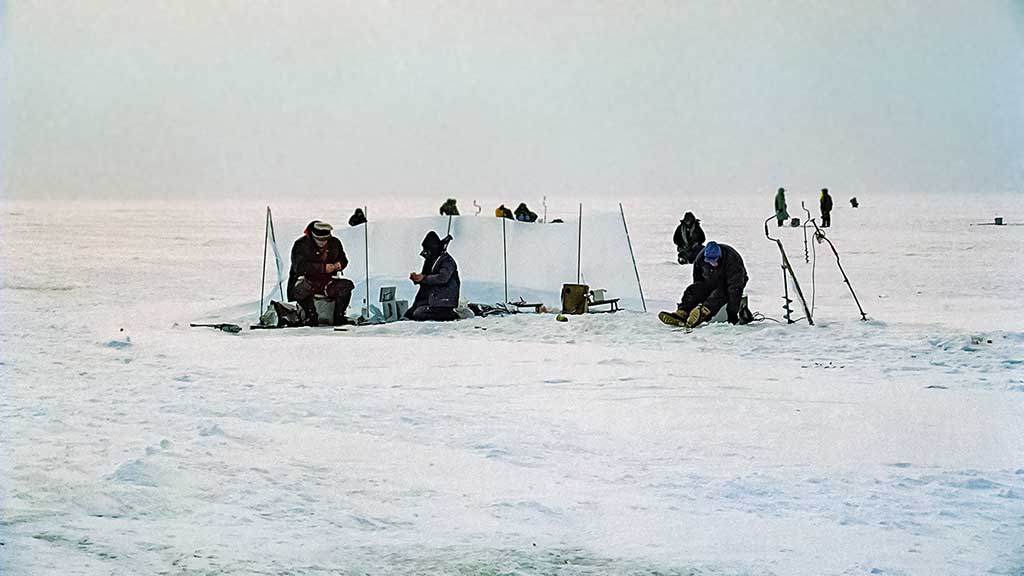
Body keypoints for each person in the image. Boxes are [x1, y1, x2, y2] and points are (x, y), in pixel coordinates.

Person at [659, 241, 749, 328]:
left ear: (720, 256)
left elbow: (735, 289)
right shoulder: (701, 258)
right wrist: (697, 297)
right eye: (709, 261)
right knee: (692, 290)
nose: (712, 263)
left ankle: (703, 313)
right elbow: (697, 279)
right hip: (710, 280)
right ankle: (682, 313)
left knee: (719, 294)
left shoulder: (732, 260)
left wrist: (732, 313)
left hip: (730, 283)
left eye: (714, 261)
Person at [288, 221, 355, 326]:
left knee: (347, 285)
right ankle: (310, 316)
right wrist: (322, 268)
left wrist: (339, 265)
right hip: (306, 280)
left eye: (325, 240)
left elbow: (343, 259)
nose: (323, 243)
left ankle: (339, 316)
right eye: (320, 240)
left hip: (328, 282)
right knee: (300, 288)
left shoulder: (335, 243)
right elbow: (299, 267)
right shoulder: (301, 244)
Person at [406, 231, 461, 321]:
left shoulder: (447, 261)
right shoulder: (432, 261)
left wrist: (424, 278)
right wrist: (418, 279)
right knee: (409, 314)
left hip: (443, 304)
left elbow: (442, 278)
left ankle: (451, 315)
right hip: (430, 301)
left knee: (419, 314)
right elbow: (428, 277)